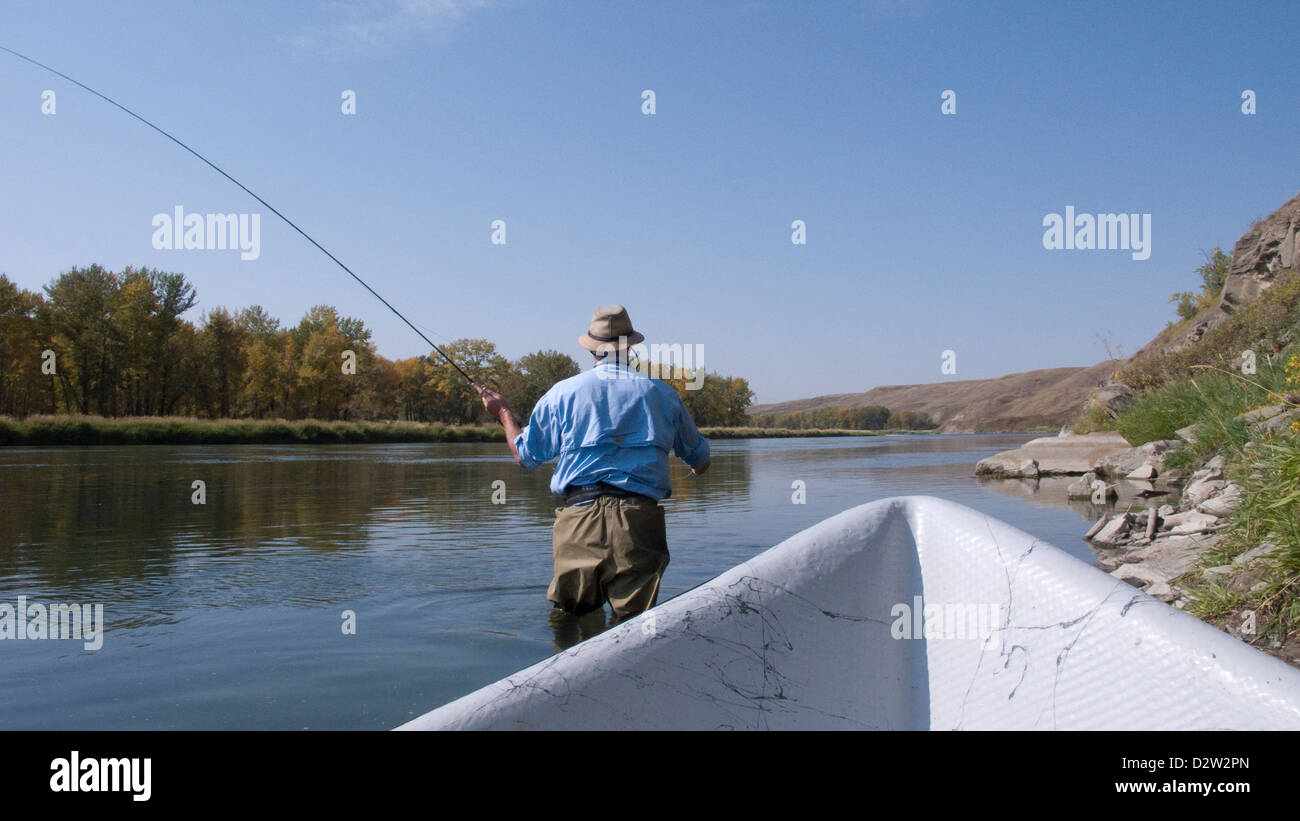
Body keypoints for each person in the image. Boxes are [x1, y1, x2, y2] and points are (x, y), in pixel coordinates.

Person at [474, 305, 710, 621]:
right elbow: (701, 460)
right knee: (636, 626)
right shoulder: (663, 394)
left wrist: (503, 412)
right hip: (639, 522)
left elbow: (525, 456)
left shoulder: (561, 394)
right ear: (630, 348)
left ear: (592, 349)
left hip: (578, 518)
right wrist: (694, 465)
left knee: (570, 621)